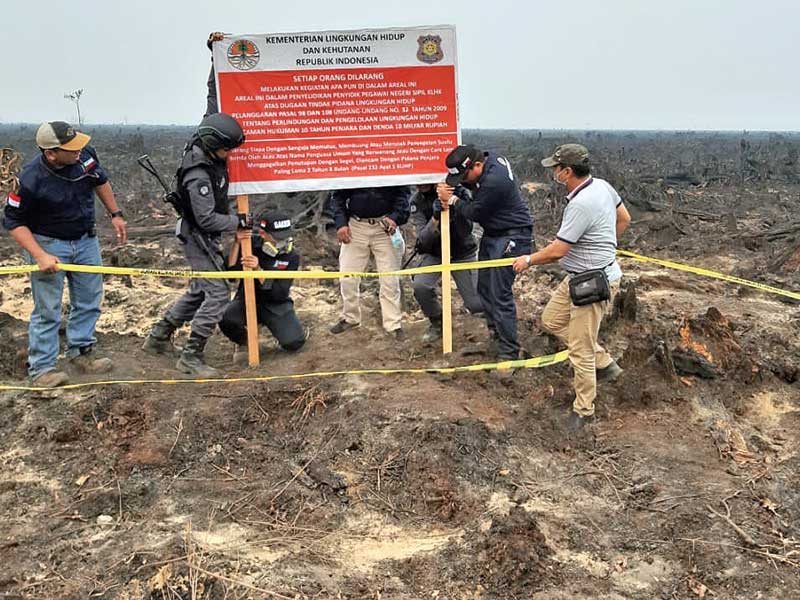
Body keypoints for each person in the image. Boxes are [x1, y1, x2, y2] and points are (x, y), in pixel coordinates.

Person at [513, 144, 631, 430]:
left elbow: (557, 251)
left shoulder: (581, 204)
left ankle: (584, 410)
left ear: (567, 171)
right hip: (579, 277)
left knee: (580, 349)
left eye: (556, 168)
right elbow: (624, 218)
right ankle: (604, 363)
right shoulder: (602, 186)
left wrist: (528, 260)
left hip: (593, 283)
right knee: (551, 320)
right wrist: (603, 245)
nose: (553, 172)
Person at [2, 121, 127, 387]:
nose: (79, 150)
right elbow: (13, 221)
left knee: (89, 300)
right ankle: (42, 369)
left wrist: (115, 214)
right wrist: (40, 255)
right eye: (71, 148)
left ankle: (81, 352)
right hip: (48, 244)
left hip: (85, 241)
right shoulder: (28, 179)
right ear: (51, 153)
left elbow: (100, 180)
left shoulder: (85, 156)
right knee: (48, 309)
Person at [141, 113, 248, 377]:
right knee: (218, 293)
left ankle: (158, 337)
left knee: (200, 290)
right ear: (212, 144)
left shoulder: (207, 156)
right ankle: (191, 356)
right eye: (226, 149)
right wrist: (238, 221)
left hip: (202, 236)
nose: (229, 154)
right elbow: (206, 219)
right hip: (197, 237)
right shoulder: (198, 174)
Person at [438, 144, 533, 361]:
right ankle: (496, 338)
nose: (462, 181)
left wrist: (452, 199)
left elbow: (474, 212)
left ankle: (509, 353)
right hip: (494, 234)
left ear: (478, 165)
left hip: (512, 236)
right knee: (484, 289)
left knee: (499, 293)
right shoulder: (489, 159)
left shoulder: (494, 182)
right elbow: (472, 190)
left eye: (464, 177)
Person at [220, 210, 306, 364]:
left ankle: (285, 327)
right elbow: (231, 274)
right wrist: (237, 243)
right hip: (247, 298)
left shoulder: (292, 256)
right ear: (263, 234)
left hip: (275, 304)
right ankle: (244, 342)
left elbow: (279, 293)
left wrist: (258, 269)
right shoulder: (250, 245)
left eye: (286, 236)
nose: (284, 241)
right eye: (278, 237)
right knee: (225, 317)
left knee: (294, 342)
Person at [329, 186, 411, 339]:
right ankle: (350, 317)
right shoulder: (352, 172)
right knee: (347, 277)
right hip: (355, 226)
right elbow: (337, 196)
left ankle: (393, 324)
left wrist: (395, 217)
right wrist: (341, 223)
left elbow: (403, 196)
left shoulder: (392, 172)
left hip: (385, 226)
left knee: (389, 280)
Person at [409, 183, 483, 342]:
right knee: (421, 286)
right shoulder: (417, 201)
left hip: (462, 252)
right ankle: (437, 322)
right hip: (435, 253)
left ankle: (495, 321)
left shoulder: (458, 191)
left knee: (476, 304)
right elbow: (423, 239)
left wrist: (454, 206)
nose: (420, 184)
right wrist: (435, 218)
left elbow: (466, 229)